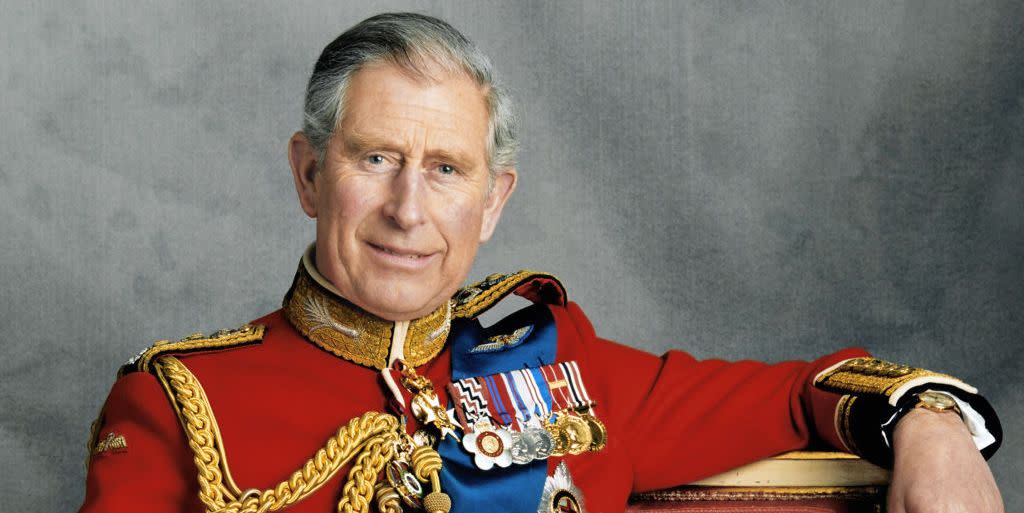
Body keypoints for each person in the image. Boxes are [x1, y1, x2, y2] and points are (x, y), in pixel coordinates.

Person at [78, 13, 1003, 513]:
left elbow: (802, 393)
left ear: (493, 201)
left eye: (446, 170)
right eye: (375, 159)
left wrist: (930, 422)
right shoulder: (178, 402)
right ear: (309, 174)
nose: (408, 209)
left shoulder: (562, 363)